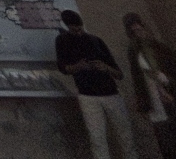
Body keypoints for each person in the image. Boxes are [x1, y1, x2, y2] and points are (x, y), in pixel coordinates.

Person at [56, 10, 138, 159]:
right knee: (97, 138)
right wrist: (78, 67)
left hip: (111, 93)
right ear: (68, 27)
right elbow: (63, 68)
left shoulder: (95, 41)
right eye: (75, 30)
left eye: (80, 29)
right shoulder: (62, 41)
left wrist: (105, 67)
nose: (79, 33)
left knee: (125, 134)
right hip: (87, 95)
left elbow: (119, 74)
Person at [124, 13, 176, 159]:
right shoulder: (135, 54)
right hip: (157, 109)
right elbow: (138, 80)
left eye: (139, 29)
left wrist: (167, 81)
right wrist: (143, 104)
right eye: (133, 32)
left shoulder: (161, 49)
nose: (138, 34)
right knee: (168, 149)